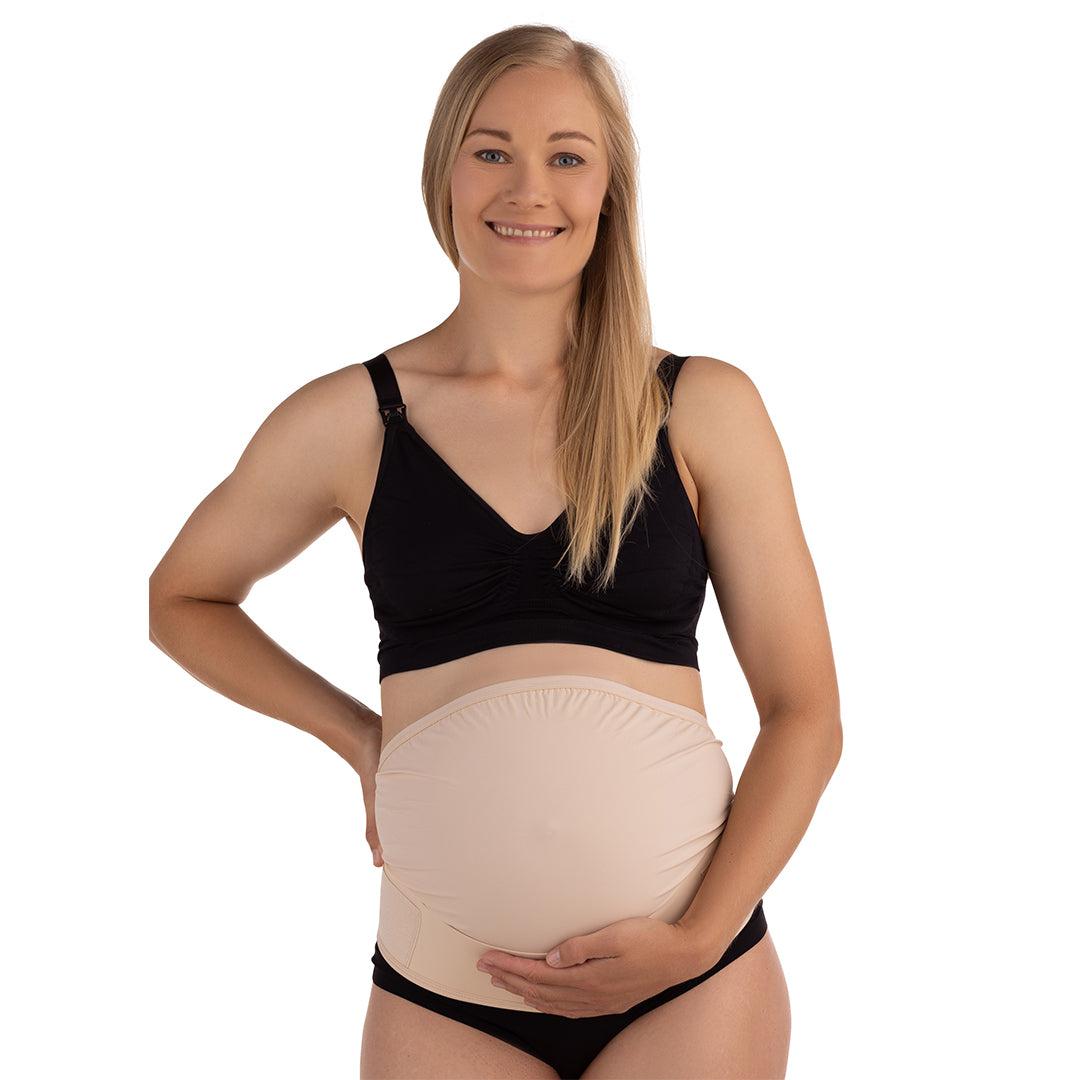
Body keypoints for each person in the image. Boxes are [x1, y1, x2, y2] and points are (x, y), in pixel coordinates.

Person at [149, 23, 842, 1080]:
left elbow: (806, 714)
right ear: (445, 172)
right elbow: (183, 599)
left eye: (567, 155)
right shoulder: (351, 419)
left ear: (609, 189)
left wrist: (699, 940)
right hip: (445, 995)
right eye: (491, 150)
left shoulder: (700, 406)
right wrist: (361, 738)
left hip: (692, 988)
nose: (529, 188)